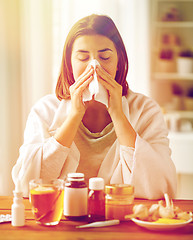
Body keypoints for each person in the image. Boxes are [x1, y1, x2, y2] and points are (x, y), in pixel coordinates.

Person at [12, 14, 177, 199]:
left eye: (105, 57)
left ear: (118, 62)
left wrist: (118, 114)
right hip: (64, 221)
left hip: (122, 219)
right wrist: (74, 116)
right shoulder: (45, 111)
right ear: (69, 63)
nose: (94, 67)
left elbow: (161, 186)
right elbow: (26, 184)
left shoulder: (146, 110)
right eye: (83, 58)